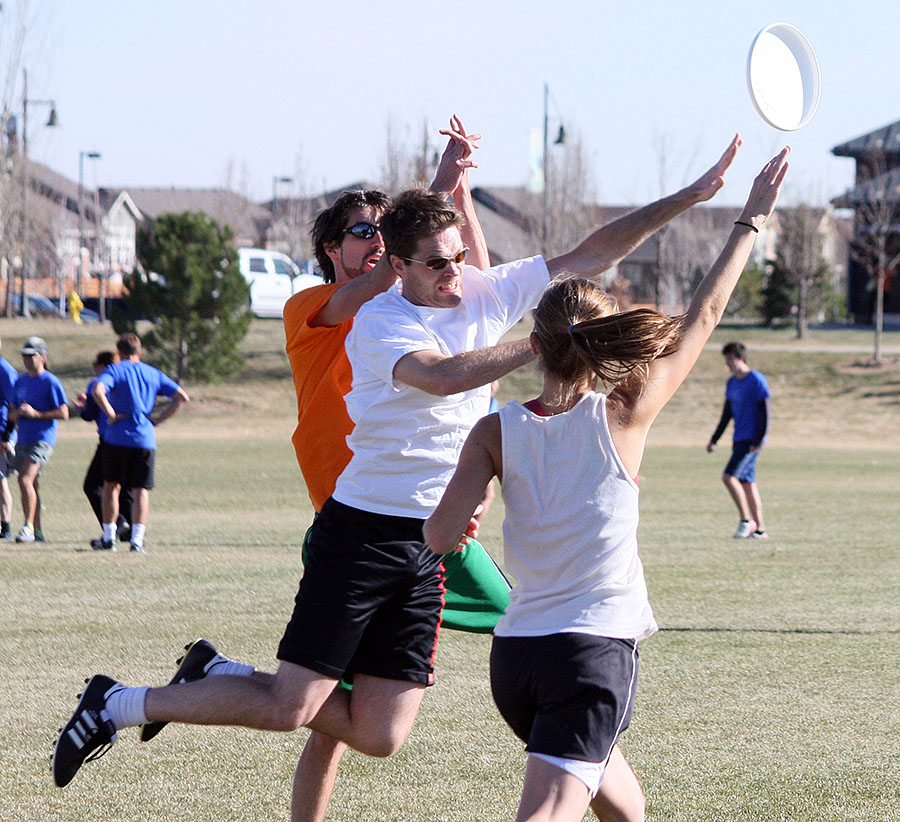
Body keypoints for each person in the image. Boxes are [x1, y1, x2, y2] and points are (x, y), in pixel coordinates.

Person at [53, 133, 744, 796]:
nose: (455, 274)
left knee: (381, 734)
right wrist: (542, 345)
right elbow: (442, 376)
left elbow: (589, 253)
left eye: (457, 257)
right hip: (360, 533)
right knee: (292, 708)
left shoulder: (479, 288)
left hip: (427, 541)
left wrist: (690, 194)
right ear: (399, 266)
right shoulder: (380, 321)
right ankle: (120, 703)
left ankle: (220, 673)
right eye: (437, 264)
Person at [424, 146, 789, 822]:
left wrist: (469, 514)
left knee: (628, 808)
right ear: (601, 346)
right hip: (588, 657)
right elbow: (703, 317)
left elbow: (441, 536)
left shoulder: (495, 431)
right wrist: (750, 221)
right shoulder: (623, 415)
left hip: (518, 662)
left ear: (534, 343)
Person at [90, 333, 189, 553]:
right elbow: (181, 397)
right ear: (139, 352)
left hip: (117, 438)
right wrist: (157, 420)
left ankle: (109, 537)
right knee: (140, 491)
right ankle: (137, 540)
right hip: (145, 439)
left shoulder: (115, 370)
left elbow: (98, 390)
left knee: (111, 486)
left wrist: (111, 414)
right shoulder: (152, 372)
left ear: (120, 353)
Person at [706, 340, 771, 539]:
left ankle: (746, 521)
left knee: (729, 477)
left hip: (751, 440)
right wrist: (714, 439)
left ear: (740, 358)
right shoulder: (732, 382)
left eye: (730, 359)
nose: (728, 364)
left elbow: (765, 413)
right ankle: (760, 530)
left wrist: (757, 441)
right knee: (747, 483)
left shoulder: (756, 380)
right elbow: (727, 414)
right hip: (738, 438)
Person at [71, 351, 133, 549]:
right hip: (133, 439)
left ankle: (116, 524)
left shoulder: (97, 382)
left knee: (94, 486)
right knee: (126, 488)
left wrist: (82, 408)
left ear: (103, 366)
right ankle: (132, 534)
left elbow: (89, 414)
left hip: (109, 440)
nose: (94, 368)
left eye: (95, 364)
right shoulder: (126, 381)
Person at [10, 336, 69, 543]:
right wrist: (15, 415)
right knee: (31, 484)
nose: (26, 360)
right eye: (24, 356)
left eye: (31, 355)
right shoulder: (20, 381)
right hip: (23, 438)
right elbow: (12, 410)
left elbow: (64, 412)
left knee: (24, 478)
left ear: (43, 357)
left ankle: (26, 527)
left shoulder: (51, 382)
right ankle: (38, 531)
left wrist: (37, 414)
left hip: (43, 439)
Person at [0, 338, 19, 539]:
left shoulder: (5, 370)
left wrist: (6, 435)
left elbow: (14, 405)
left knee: (1, 478)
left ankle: (5, 526)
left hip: (1, 432)